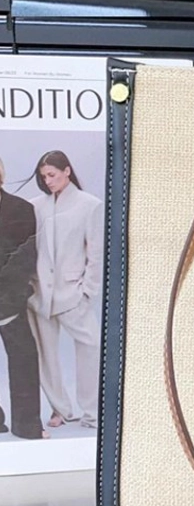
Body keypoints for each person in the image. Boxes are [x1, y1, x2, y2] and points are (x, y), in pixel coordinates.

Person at [28, 151, 103, 429]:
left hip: (73, 294)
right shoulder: (36, 206)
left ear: (67, 171)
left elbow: (96, 253)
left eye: (52, 174)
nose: (48, 181)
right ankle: (60, 409)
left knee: (91, 348)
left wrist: (88, 292)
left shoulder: (90, 205)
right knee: (45, 355)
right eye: (44, 176)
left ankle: (92, 412)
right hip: (39, 295)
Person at [0, 156, 47, 439]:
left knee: (24, 356)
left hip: (10, 298)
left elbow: (24, 259)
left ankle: (28, 426)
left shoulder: (21, 209)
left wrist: (8, 300)